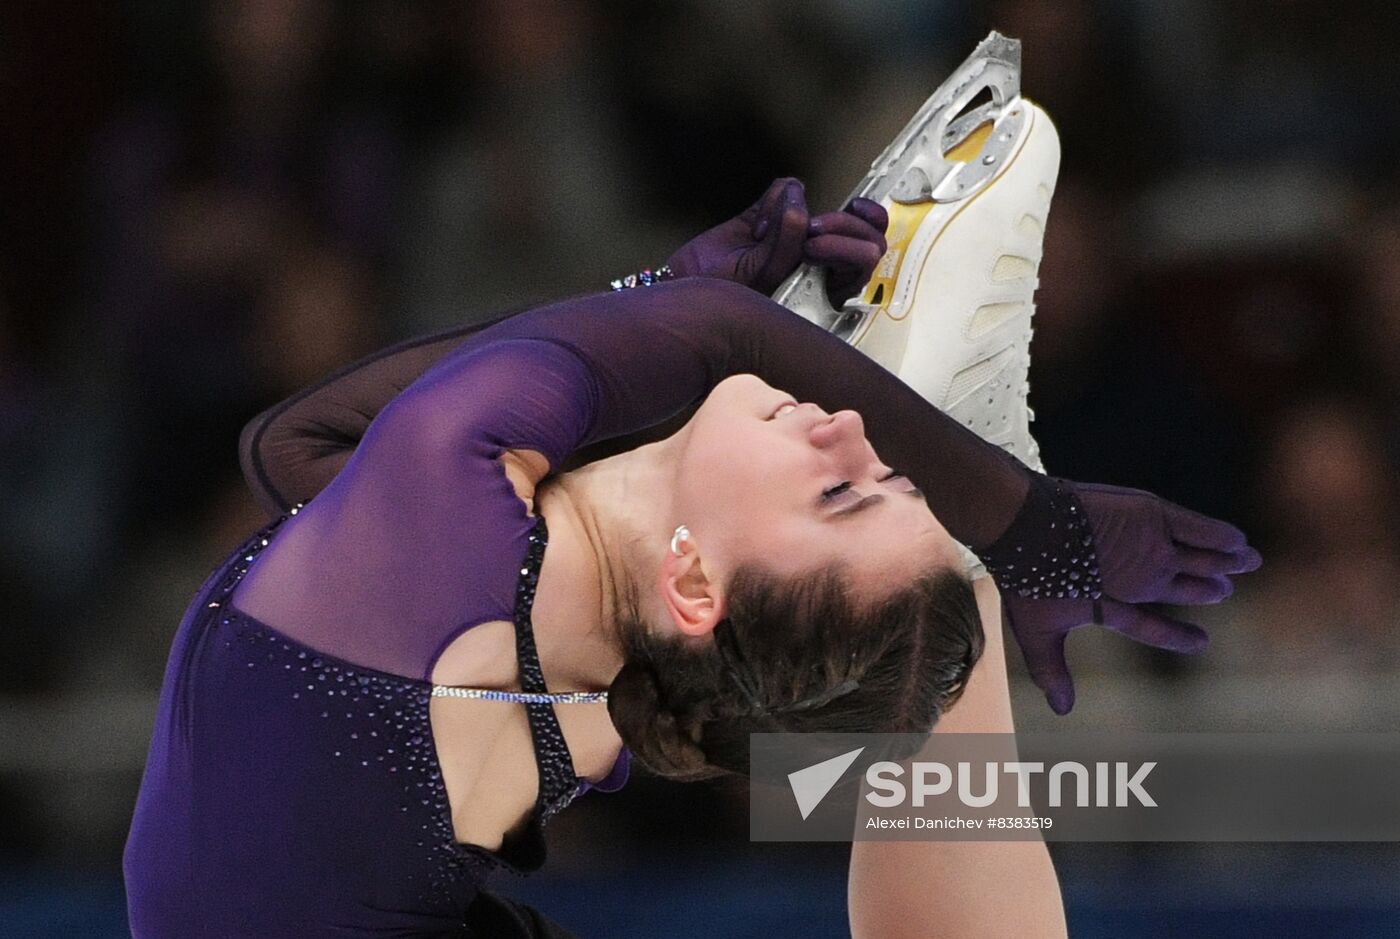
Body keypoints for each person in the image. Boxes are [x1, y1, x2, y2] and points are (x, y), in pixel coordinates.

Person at [124, 172, 1258, 937]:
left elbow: (290, 443)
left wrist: (1033, 525)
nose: (847, 425)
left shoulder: (444, 506)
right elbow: (298, 456)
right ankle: (954, 569)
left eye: (834, 491)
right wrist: (652, 306)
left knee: (935, 599)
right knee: (921, 617)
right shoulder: (606, 641)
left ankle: (962, 566)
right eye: (881, 465)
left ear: (695, 582)